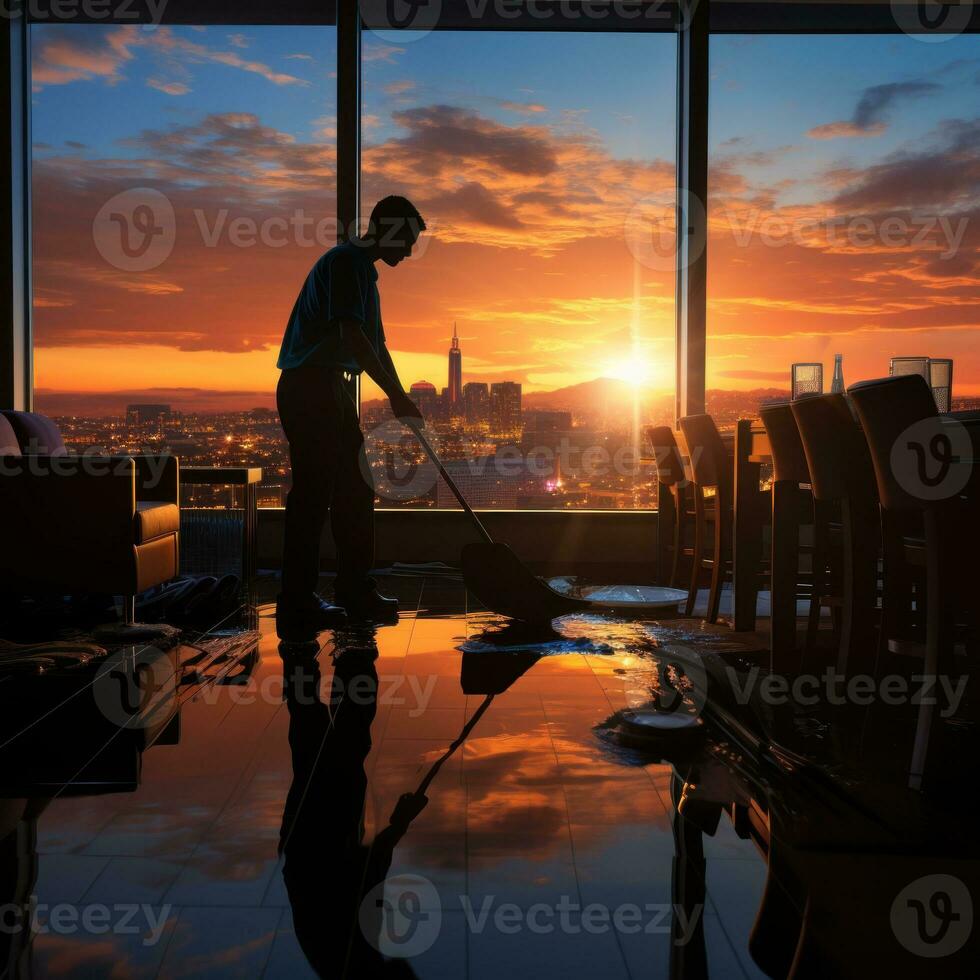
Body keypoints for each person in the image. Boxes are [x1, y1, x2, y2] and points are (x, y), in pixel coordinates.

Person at [275, 196, 426, 641]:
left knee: (352, 494)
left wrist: (400, 397)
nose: (411, 251)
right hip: (312, 388)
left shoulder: (362, 272)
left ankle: (351, 591)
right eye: (409, 240)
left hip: (327, 387)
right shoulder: (348, 264)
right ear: (390, 230)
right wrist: (396, 397)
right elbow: (355, 337)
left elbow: (375, 346)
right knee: (314, 498)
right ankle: (302, 601)